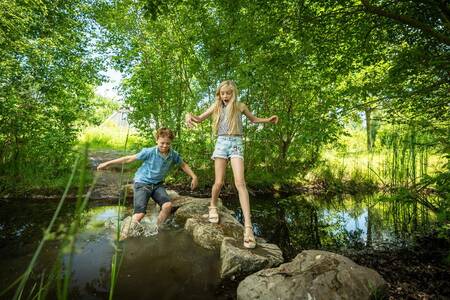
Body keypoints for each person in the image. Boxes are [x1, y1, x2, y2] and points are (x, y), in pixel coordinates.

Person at [185, 80, 278, 249]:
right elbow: (198, 119)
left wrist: (268, 120)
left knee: (240, 182)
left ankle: (248, 227)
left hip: (236, 143)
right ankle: (212, 205)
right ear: (219, 94)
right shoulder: (216, 106)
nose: (225, 96)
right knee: (219, 182)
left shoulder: (240, 106)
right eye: (222, 93)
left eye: (228, 93)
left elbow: (254, 119)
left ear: (233, 93)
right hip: (221, 142)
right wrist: (188, 116)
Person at [97, 127, 198, 238]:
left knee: (167, 206)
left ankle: (156, 229)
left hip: (157, 185)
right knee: (140, 214)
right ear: (157, 141)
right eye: (162, 143)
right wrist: (107, 163)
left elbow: (183, 164)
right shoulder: (149, 152)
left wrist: (193, 176)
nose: (165, 146)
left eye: (168, 143)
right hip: (142, 183)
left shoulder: (173, 155)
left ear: (171, 142)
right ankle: (123, 235)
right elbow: (129, 159)